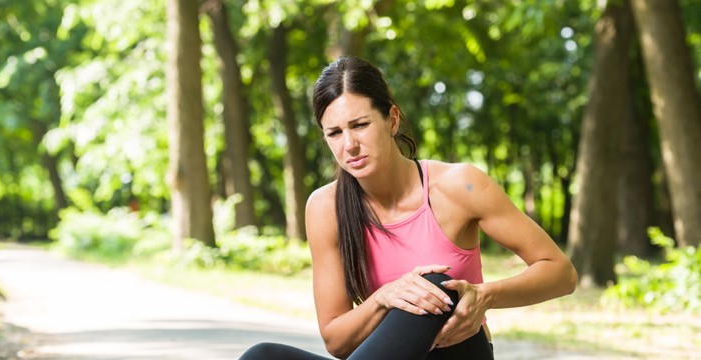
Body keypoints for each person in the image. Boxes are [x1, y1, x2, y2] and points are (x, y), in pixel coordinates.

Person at [239, 56, 577, 360]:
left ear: (392, 120)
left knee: (431, 286)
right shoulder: (325, 208)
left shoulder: (459, 186)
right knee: (262, 357)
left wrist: (484, 296)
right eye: (335, 133)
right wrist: (385, 297)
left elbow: (560, 272)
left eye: (360, 125)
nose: (350, 145)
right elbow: (337, 341)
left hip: (455, 354)